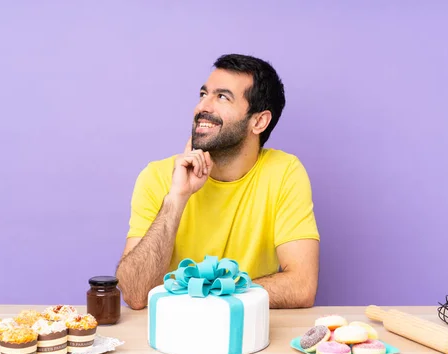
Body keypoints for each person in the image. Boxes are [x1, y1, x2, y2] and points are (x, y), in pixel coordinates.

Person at [116, 54, 320, 310]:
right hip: (171, 337)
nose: (202, 107)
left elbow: (301, 286)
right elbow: (135, 294)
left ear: (259, 121)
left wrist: (208, 298)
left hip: (247, 335)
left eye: (222, 97)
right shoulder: (157, 176)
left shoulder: (284, 172)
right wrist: (176, 199)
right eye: (204, 94)